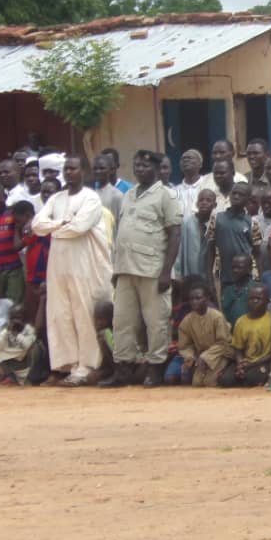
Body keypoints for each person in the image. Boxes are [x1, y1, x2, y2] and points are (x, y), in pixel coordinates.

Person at [31, 155, 113, 387]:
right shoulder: (56, 198)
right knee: (61, 314)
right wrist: (62, 223)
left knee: (83, 312)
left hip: (85, 265)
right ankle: (67, 364)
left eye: (73, 169)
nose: (68, 173)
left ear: (82, 171)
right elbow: (37, 225)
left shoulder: (91, 198)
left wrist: (54, 228)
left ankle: (88, 365)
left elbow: (80, 227)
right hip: (59, 265)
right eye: (66, 169)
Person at [104, 149, 183, 388]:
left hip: (152, 269)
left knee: (155, 322)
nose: (140, 169)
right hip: (125, 269)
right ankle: (123, 369)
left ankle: (156, 368)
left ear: (158, 170)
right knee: (122, 322)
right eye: (137, 165)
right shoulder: (128, 195)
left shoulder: (165, 196)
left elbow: (175, 234)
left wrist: (166, 271)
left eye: (145, 166)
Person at [206, 182, 261, 303]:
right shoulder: (216, 218)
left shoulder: (252, 222)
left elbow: (257, 253)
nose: (236, 196)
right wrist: (210, 279)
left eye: (241, 194)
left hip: (247, 278)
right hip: (224, 278)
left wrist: (259, 280)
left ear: (248, 200)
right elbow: (210, 250)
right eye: (234, 193)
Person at [177, 285, 233, 387]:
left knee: (210, 382)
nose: (194, 302)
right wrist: (190, 357)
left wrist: (205, 357)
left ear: (206, 299)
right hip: (201, 357)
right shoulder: (187, 320)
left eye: (198, 298)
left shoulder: (217, 317)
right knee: (197, 383)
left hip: (220, 354)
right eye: (191, 299)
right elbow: (184, 345)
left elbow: (223, 343)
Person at [219, 284, 271, 387]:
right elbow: (238, 348)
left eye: (258, 298)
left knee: (251, 379)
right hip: (245, 361)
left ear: (267, 301)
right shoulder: (241, 321)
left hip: (261, 362)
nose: (254, 301)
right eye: (251, 298)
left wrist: (251, 365)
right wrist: (240, 365)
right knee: (225, 380)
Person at [0, 303, 41, 385]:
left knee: (37, 347)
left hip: (27, 362)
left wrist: (17, 335)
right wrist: (7, 331)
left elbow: (27, 345)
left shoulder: (29, 329)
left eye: (18, 318)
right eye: (12, 318)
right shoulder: (8, 329)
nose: (15, 321)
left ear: (24, 318)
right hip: (14, 360)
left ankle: (30, 378)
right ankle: (11, 378)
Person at [176, 187, 215, 280]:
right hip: (190, 273)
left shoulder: (217, 223)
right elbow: (180, 250)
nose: (204, 202)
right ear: (197, 204)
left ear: (215, 204)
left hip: (210, 274)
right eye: (201, 200)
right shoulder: (187, 223)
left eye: (208, 200)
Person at [92, 152, 124, 226]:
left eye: (102, 168)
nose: (98, 171)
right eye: (95, 169)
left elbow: (121, 222)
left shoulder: (117, 195)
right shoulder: (91, 194)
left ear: (111, 170)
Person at [174, 149, 206, 216]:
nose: (185, 160)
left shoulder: (208, 184)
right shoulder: (174, 191)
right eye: (183, 159)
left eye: (190, 158)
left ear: (200, 164)